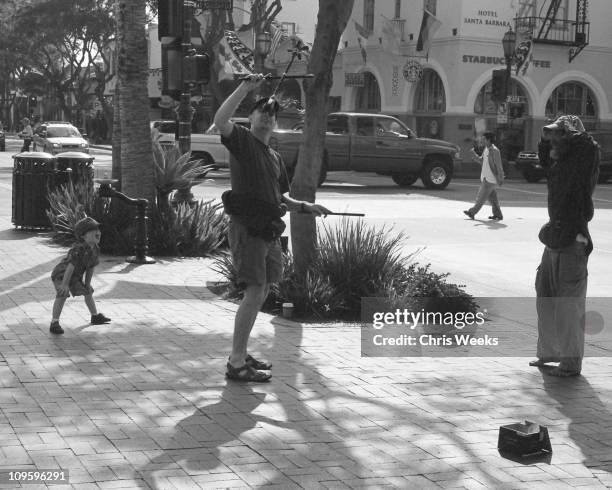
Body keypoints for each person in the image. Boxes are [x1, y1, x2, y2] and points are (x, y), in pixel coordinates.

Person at [213, 73, 332, 382]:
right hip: (248, 229)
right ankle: (236, 362)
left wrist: (307, 207)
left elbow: (282, 197)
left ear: (275, 122)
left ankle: (240, 352)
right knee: (254, 291)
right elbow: (220, 119)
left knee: (263, 289)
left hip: (268, 231)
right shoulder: (241, 140)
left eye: (271, 114)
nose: (266, 118)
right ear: (250, 117)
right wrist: (245, 88)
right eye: (261, 112)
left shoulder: (275, 157)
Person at [530, 115, 599, 376]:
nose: (555, 141)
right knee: (545, 295)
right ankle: (550, 351)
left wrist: (568, 127)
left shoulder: (583, 162)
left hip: (573, 239)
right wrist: (547, 135)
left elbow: (588, 146)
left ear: (570, 138)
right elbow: (545, 154)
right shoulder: (558, 165)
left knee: (569, 305)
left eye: (560, 135)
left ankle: (571, 364)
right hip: (554, 237)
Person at [49, 217, 111, 334]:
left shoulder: (95, 249)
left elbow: (90, 267)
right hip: (62, 274)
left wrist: (87, 284)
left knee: (88, 291)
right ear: (83, 236)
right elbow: (70, 267)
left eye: (98, 229)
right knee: (63, 293)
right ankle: (54, 322)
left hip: (75, 276)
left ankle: (95, 316)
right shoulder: (78, 249)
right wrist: (65, 284)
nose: (97, 232)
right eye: (93, 230)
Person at [464, 131, 505, 220]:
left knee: (481, 197)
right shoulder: (486, 149)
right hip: (485, 177)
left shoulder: (495, 151)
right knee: (493, 199)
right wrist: (474, 155)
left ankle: (472, 212)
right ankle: (498, 214)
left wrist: (501, 177)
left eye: (484, 139)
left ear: (489, 140)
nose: (482, 141)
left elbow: (499, 165)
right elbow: (482, 161)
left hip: (490, 179)